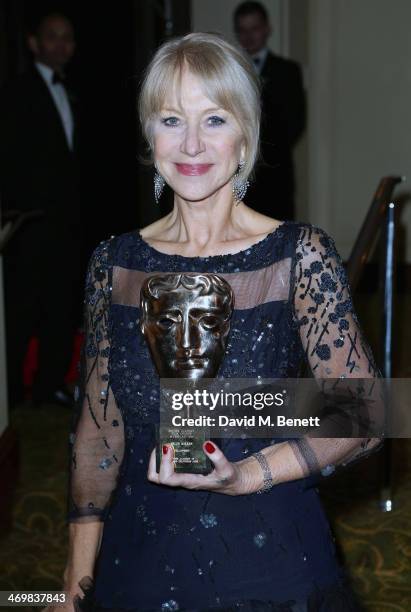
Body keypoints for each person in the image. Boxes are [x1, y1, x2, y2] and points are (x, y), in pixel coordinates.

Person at [59, 33, 380, 612]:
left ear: (245, 137)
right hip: (140, 556)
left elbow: (362, 410)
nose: (190, 143)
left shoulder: (296, 255)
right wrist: (73, 580)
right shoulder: (114, 264)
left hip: (269, 560)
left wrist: (246, 473)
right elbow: (98, 432)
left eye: (213, 119)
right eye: (170, 119)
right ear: (148, 133)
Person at [0, 11, 82, 407]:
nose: (61, 45)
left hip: (66, 224)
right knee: (20, 311)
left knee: (60, 309)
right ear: (34, 43)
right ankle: (11, 393)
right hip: (30, 223)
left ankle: (49, 386)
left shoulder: (76, 90)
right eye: (52, 37)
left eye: (67, 37)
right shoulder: (15, 93)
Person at [234, 1, 306, 220]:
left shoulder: (287, 70)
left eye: (254, 28)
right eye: (242, 30)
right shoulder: (231, 71)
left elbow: (296, 122)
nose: (249, 36)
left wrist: (266, 151)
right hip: (238, 170)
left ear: (267, 29)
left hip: (277, 171)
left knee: (278, 237)